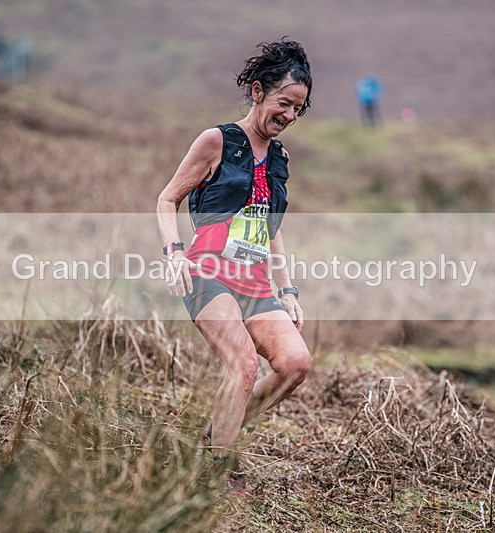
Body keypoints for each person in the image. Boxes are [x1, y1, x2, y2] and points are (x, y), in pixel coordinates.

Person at [156, 39, 312, 494]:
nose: (289, 116)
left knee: (295, 363)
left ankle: (216, 435)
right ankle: (218, 469)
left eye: (298, 109)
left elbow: (271, 228)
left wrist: (288, 291)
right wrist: (174, 253)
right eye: (284, 103)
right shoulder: (216, 141)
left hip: (255, 281)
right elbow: (167, 199)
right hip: (207, 272)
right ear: (258, 92)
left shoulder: (280, 159)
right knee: (242, 364)